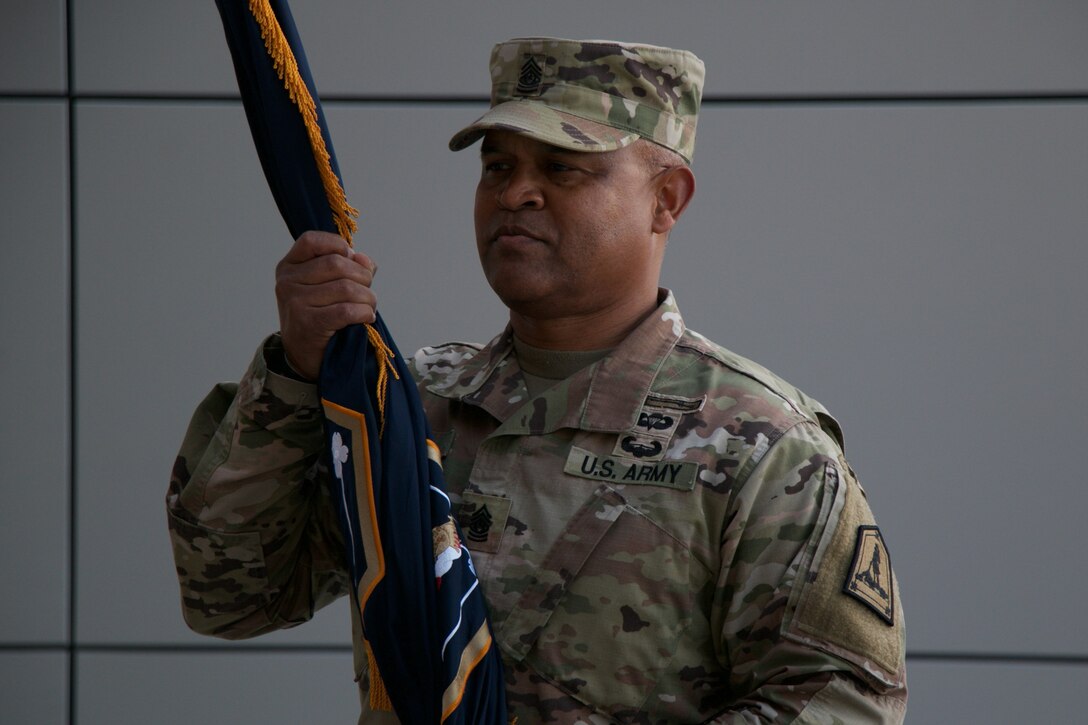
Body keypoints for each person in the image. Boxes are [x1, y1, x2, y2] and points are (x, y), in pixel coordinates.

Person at [167, 37, 907, 723]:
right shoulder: (408, 404)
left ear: (667, 199)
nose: (516, 193)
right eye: (498, 167)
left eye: (561, 168)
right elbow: (229, 596)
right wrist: (297, 372)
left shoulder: (763, 445)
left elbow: (841, 704)